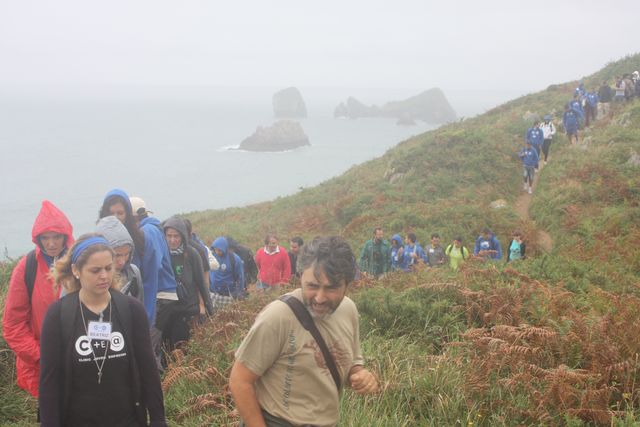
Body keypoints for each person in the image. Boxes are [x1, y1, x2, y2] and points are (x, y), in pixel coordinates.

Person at [229, 236, 378, 427]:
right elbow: (240, 380)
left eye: (331, 288)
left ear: (347, 285)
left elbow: (350, 364)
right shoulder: (278, 317)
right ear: (300, 278)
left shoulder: (348, 310)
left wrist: (361, 375)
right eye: (313, 286)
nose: (320, 298)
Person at [39, 234, 167, 426]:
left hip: (128, 420)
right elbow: (50, 381)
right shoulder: (58, 315)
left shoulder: (131, 309)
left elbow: (148, 369)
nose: (104, 276)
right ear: (76, 270)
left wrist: (158, 419)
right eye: (95, 270)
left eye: (108, 268)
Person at [2, 200, 74, 398]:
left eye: (56, 237)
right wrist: (42, 357)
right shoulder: (27, 267)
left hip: (78, 358)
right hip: (41, 365)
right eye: (45, 238)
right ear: (37, 238)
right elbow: (12, 325)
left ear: (65, 236)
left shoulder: (82, 262)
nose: (50, 244)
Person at [99, 189, 177, 325]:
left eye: (120, 213)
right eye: (111, 213)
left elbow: (149, 282)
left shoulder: (142, 239)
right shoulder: (96, 241)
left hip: (136, 314)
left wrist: (145, 320)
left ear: (128, 215)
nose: (115, 218)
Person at [162, 217, 213, 350]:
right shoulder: (161, 253)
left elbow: (201, 283)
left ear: (183, 236)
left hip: (187, 311)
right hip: (166, 313)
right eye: (169, 236)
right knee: (167, 352)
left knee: (184, 350)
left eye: (176, 236)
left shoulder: (192, 254)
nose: (172, 240)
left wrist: (207, 309)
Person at [95, 216, 144, 304]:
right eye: (117, 255)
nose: (122, 261)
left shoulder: (134, 274)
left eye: (127, 254)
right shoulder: (87, 276)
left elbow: (139, 307)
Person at [209, 236, 246, 311]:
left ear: (225, 248)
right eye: (215, 250)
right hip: (214, 293)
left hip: (229, 295)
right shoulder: (211, 256)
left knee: (229, 314)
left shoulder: (235, 259)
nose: (217, 252)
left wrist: (238, 293)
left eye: (219, 250)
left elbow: (240, 277)